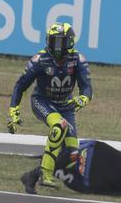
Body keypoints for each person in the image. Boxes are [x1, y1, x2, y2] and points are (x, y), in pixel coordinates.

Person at [7, 22, 93, 194]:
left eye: (60, 42)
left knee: (72, 154)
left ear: (70, 42)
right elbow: (20, 86)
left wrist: (83, 99)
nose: (56, 46)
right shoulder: (39, 60)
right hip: (42, 101)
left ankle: (32, 176)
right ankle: (46, 175)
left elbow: (87, 87)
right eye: (53, 41)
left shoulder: (78, 60)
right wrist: (13, 111)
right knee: (59, 126)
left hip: (66, 106)